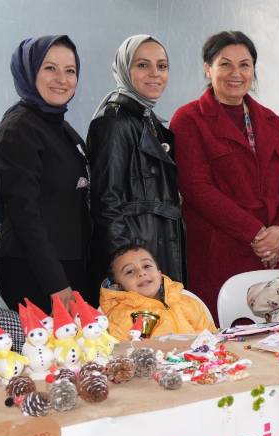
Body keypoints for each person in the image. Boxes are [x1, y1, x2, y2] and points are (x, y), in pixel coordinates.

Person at [171, 31, 279, 325]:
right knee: (225, 340)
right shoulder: (188, 119)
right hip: (219, 251)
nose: (236, 73)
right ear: (208, 69)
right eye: (225, 64)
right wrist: (257, 234)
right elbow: (196, 188)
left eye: (244, 65)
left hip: (275, 253)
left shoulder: (270, 120)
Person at [0, 35, 92, 312]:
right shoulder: (19, 129)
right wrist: (55, 284)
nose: (62, 78)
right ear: (28, 71)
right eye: (49, 68)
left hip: (66, 264)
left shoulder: (58, 125)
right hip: (35, 273)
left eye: (70, 70)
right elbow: (25, 215)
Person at [87, 35, 184, 289]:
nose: (155, 73)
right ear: (124, 69)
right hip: (136, 265)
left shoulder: (147, 119)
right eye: (142, 65)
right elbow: (107, 204)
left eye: (162, 66)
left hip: (152, 255)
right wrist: (129, 269)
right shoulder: (114, 123)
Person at [98, 244, 215, 341]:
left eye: (147, 266)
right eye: (129, 271)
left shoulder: (188, 303)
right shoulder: (119, 317)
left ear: (159, 273)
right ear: (118, 286)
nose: (141, 273)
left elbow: (212, 339)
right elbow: (121, 357)